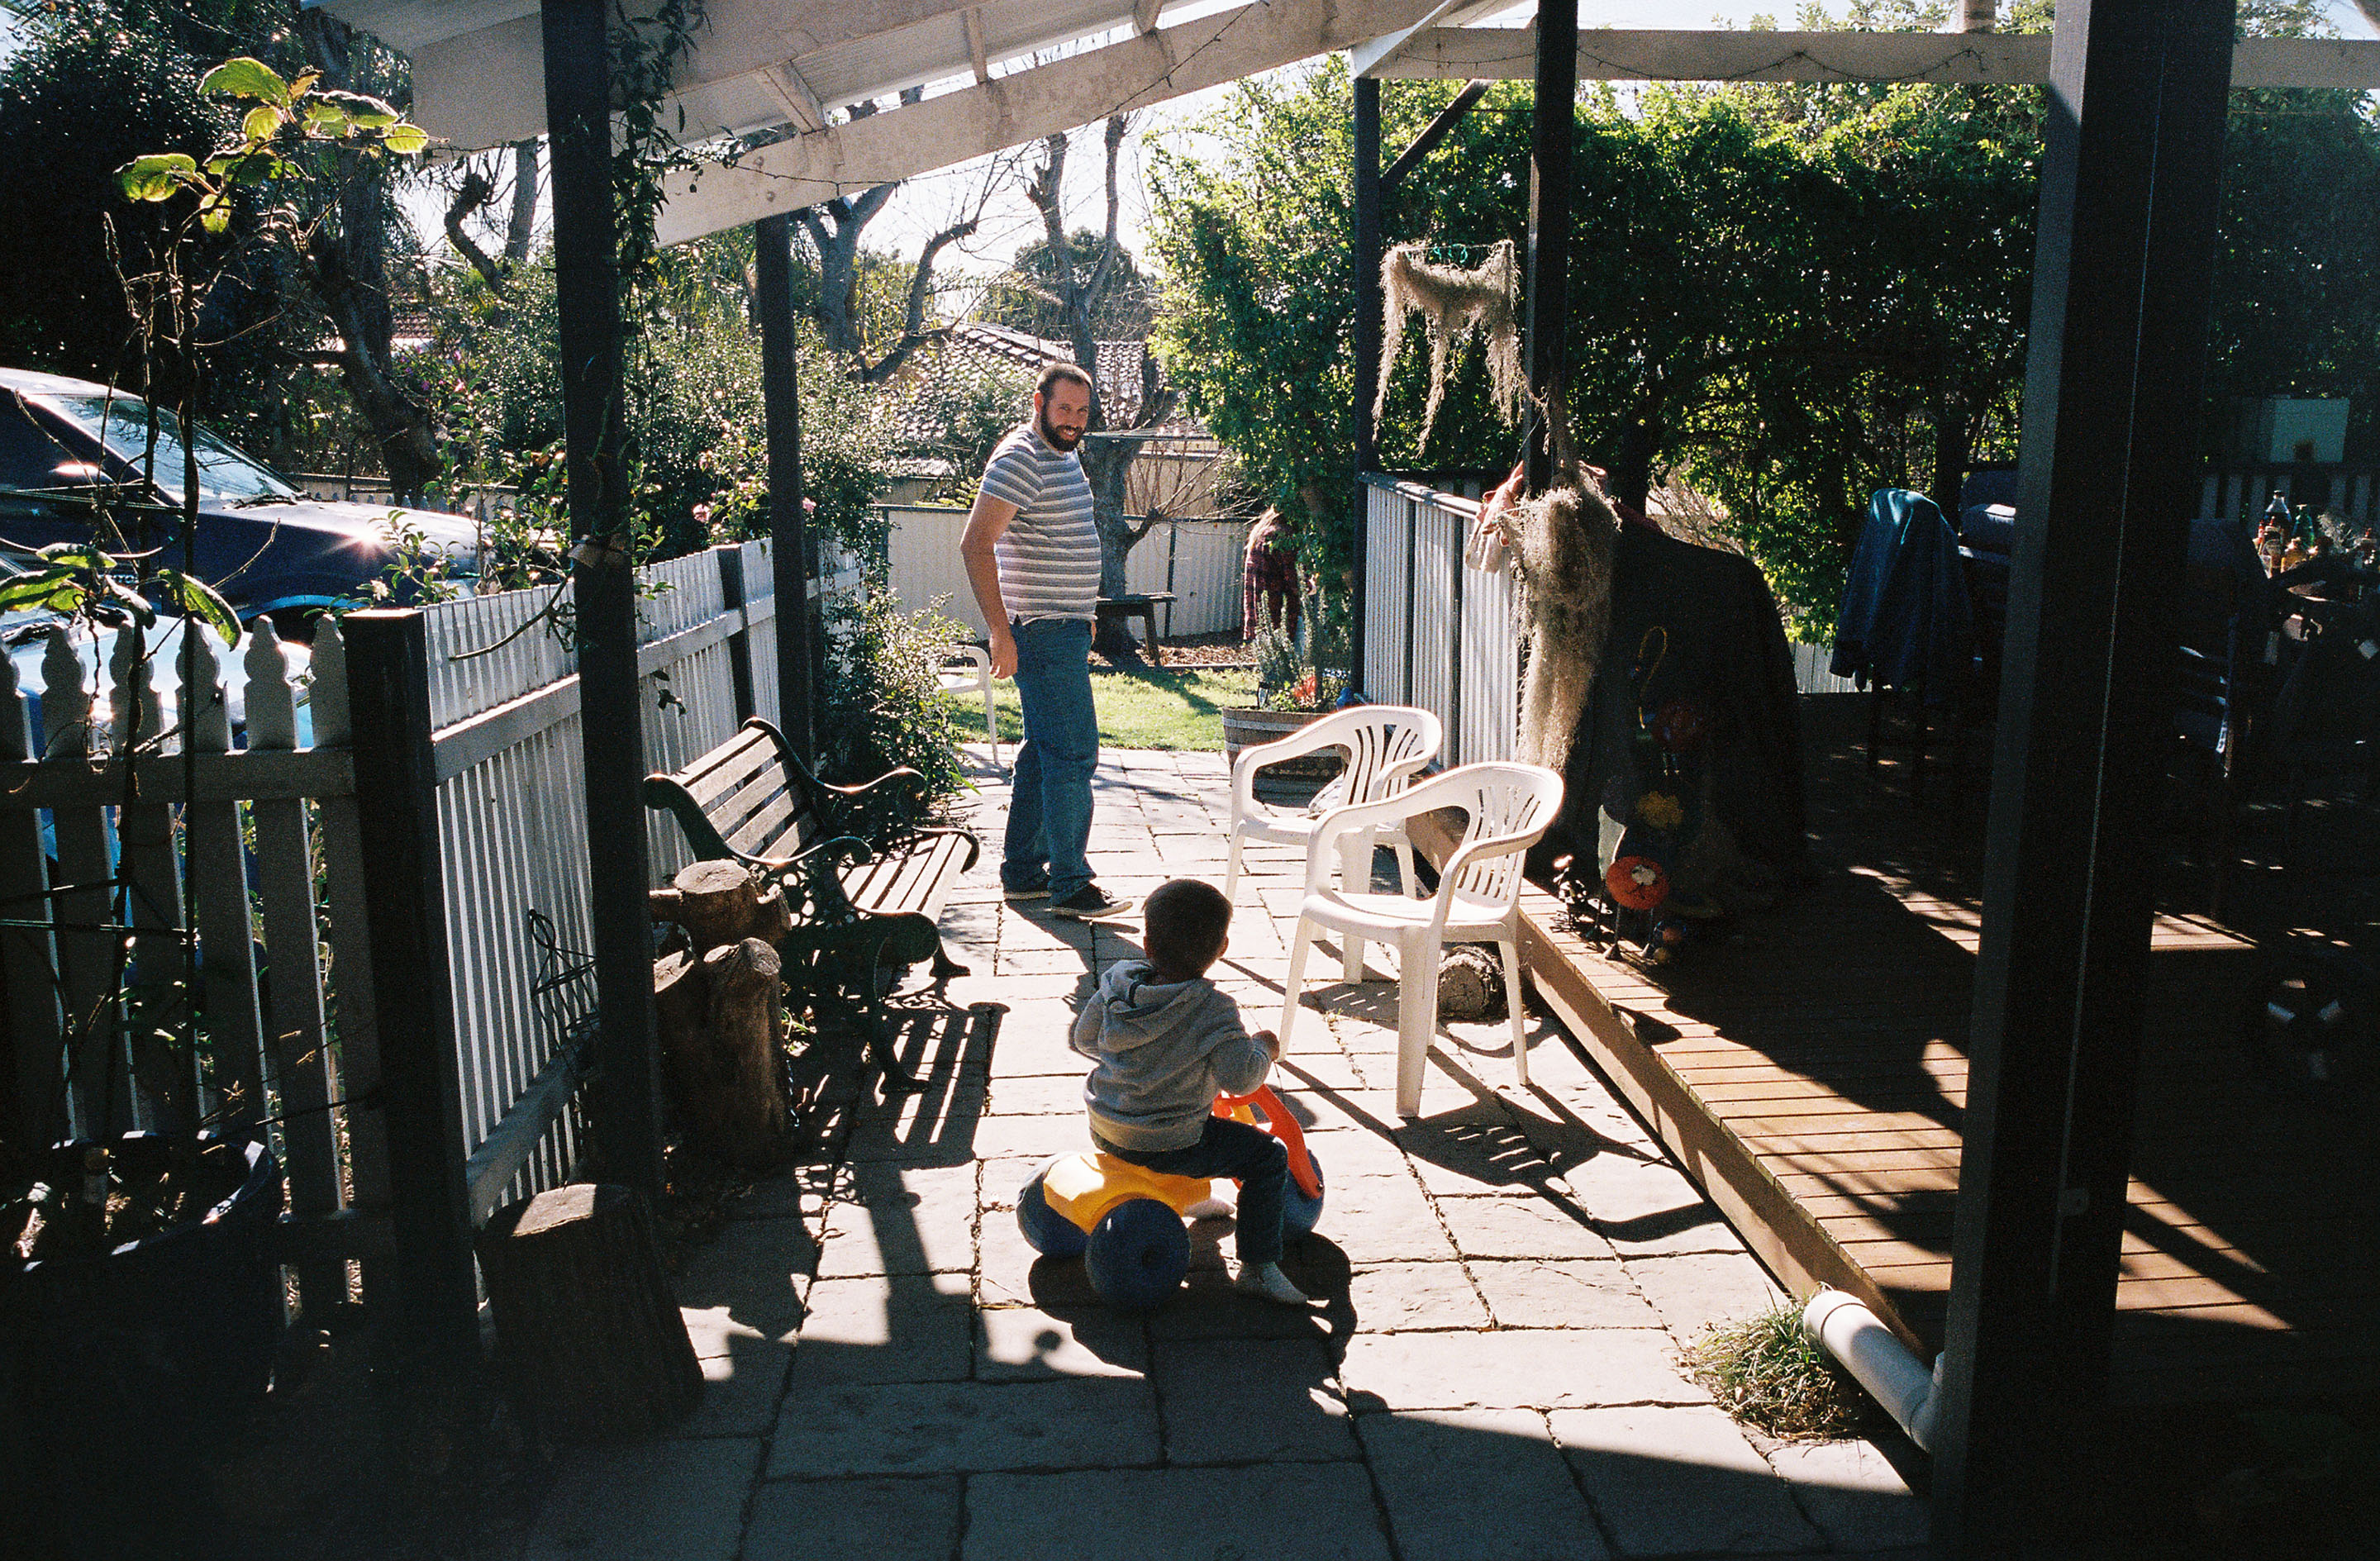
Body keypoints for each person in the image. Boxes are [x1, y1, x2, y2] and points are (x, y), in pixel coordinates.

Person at [1069, 878, 1312, 1306]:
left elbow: (1084, 1040)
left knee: (1193, 1120)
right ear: (1222, 949)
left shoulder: (1115, 984)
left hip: (1105, 1126)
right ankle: (1258, 1266)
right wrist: (1263, 1048)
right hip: (1171, 1141)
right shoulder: (1214, 1010)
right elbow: (1242, 1079)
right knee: (1266, 1155)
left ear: (1145, 944)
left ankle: (1189, 1196)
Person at [960, 363, 1134, 921]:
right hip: (1038, 627)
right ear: (1039, 402)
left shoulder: (1062, 453)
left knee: (1042, 751)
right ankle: (1071, 884)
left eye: (1083, 412)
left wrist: (1083, 612)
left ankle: (1024, 873)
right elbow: (975, 544)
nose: (1074, 421)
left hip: (1062, 623)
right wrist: (999, 631)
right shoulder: (1019, 458)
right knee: (1073, 752)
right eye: (1064, 409)